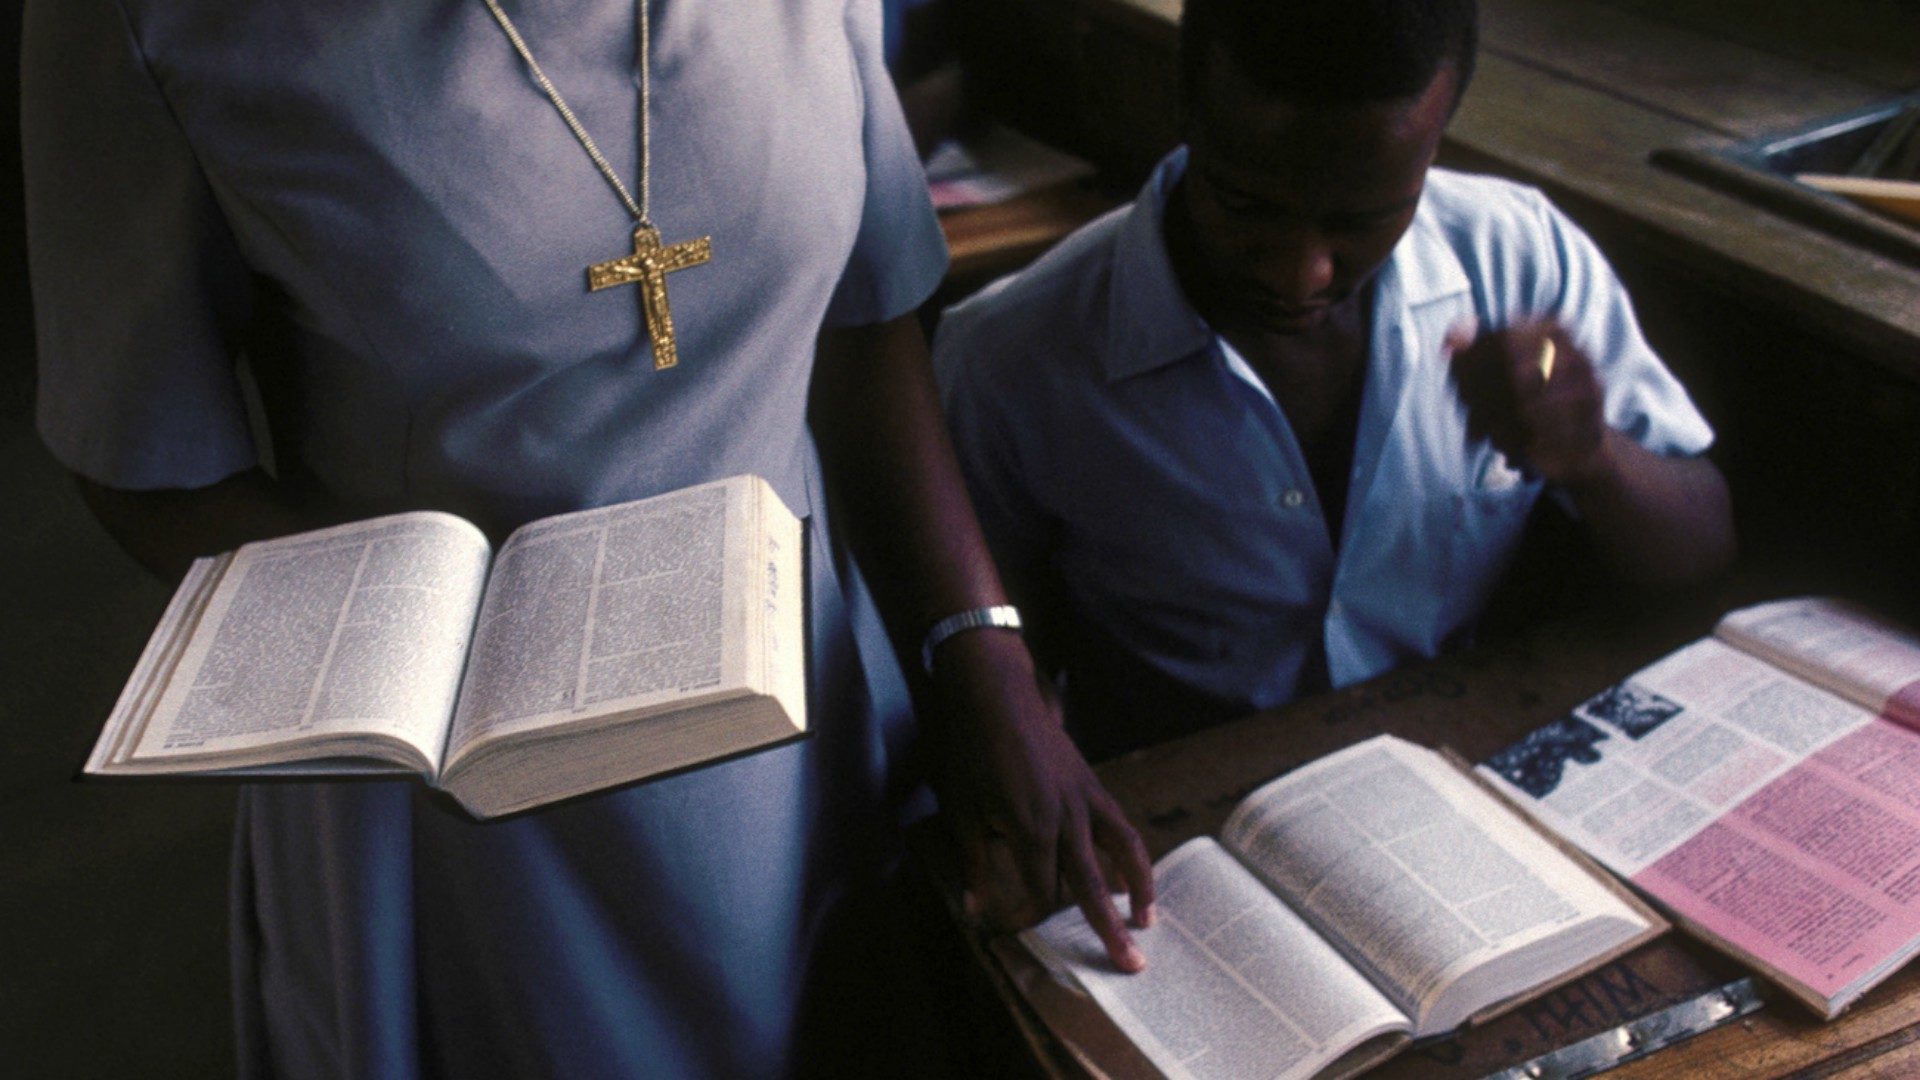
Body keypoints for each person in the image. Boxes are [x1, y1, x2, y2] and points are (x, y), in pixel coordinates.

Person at [24, 0, 1151, 1074]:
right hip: (470, 802)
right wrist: (429, 667)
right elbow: (146, 463)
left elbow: (863, 322)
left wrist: (979, 649)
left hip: (807, 704)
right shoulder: (144, 21)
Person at [933, 0, 1735, 769]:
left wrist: (1595, 458)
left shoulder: (1518, 257)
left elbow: (1702, 551)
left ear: (1438, 135)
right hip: (1180, 809)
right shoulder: (1009, 357)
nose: (1300, 274)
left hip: (1453, 773)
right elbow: (978, 668)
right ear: (1184, 102)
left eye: (1360, 221)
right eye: (1246, 204)